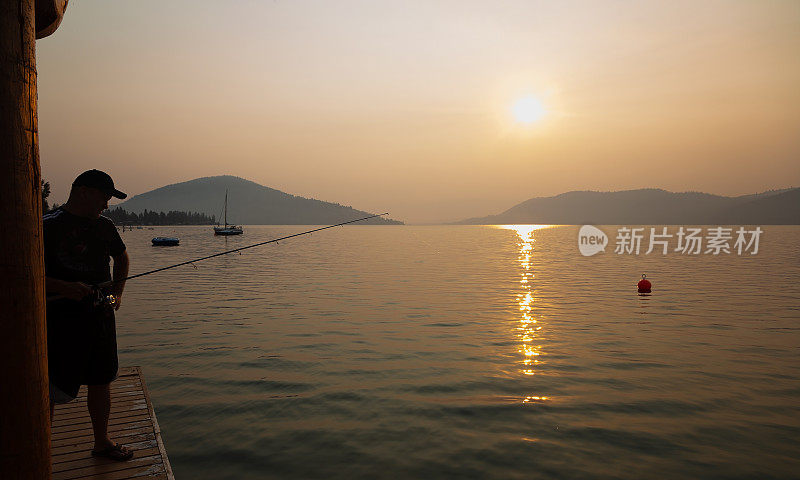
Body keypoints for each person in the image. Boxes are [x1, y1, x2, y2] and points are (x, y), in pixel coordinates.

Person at [43, 169, 133, 461]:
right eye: (103, 197)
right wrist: (63, 287)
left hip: (100, 318)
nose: (106, 205)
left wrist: (117, 293)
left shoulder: (105, 227)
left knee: (101, 379)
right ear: (83, 192)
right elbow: (23, 274)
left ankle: (101, 442)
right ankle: (41, 449)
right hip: (59, 320)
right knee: (50, 384)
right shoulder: (47, 226)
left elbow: (121, 258)